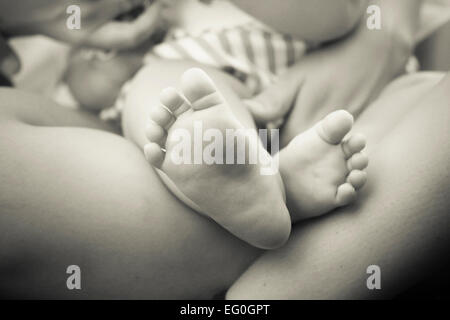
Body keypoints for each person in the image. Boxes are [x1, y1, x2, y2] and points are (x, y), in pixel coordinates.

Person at [0, 0, 448, 299]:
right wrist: (102, 62)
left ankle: (264, 187)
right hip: (199, 81)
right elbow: (91, 90)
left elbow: (334, 14)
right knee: (170, 98)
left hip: (334, 100)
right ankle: (269, 187)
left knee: (417, 102)